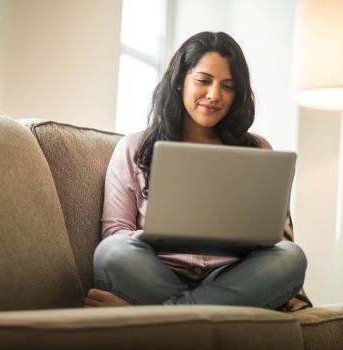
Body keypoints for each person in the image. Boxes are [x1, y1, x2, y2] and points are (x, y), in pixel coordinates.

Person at [83, 31, 307, 309]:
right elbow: (115, 232)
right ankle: (195, 317)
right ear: (180, 82)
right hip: (156, 273)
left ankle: (161, 319)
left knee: (290, 257)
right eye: (203, 81)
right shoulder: (134, 147)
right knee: (111, 252)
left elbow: (268, 237)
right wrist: (159, 234)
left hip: (232, 278)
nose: (214, 95)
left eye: (228, 86)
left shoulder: (257, 148)